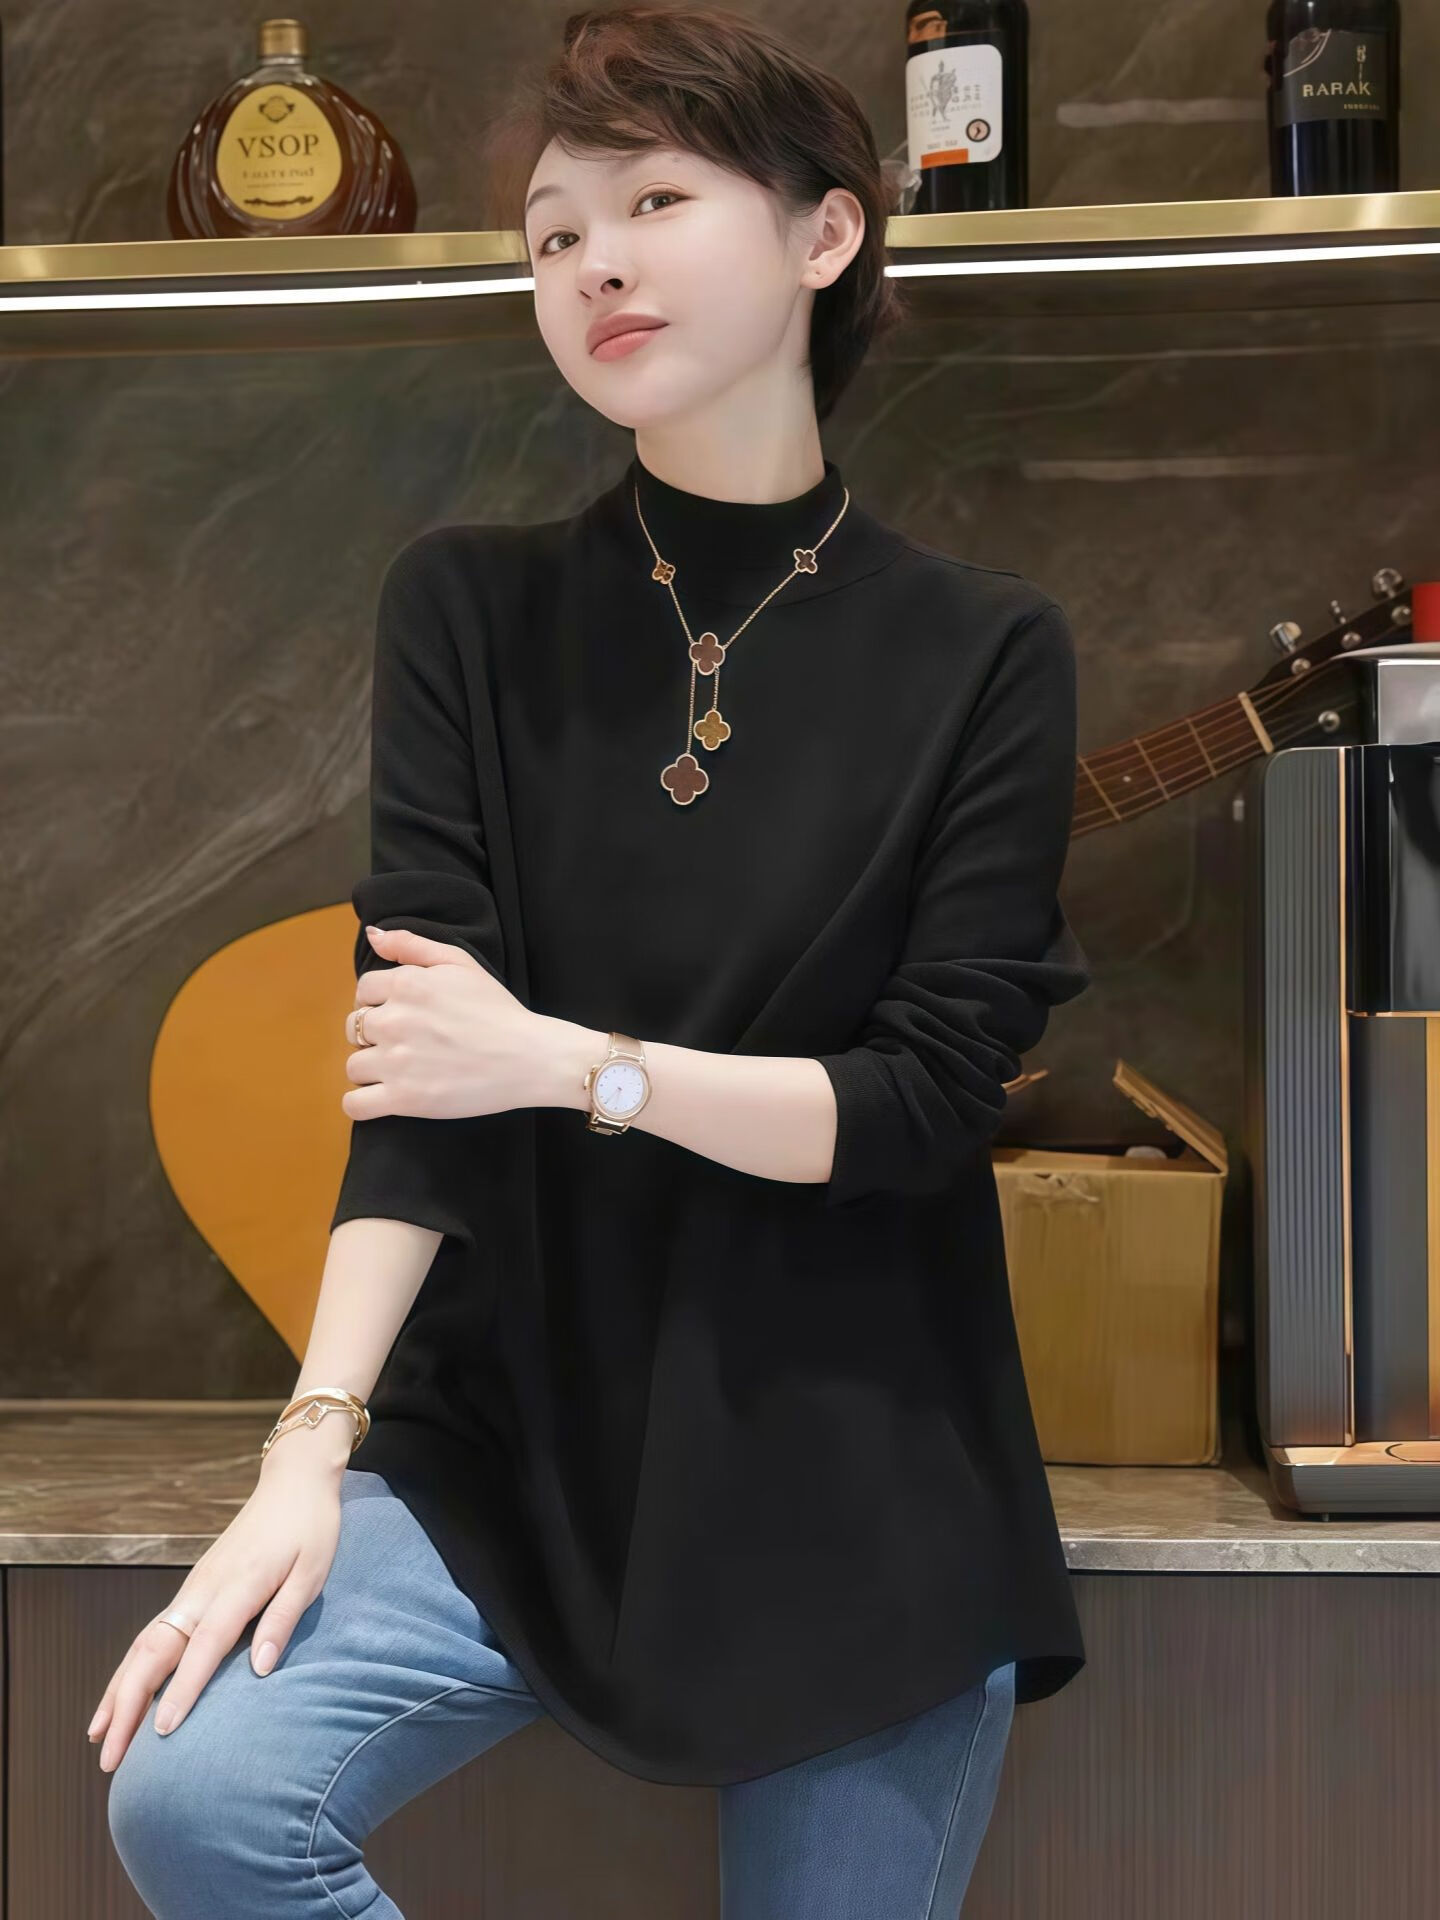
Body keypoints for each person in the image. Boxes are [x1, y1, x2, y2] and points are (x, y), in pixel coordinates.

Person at [97, 6, 1092, 1914]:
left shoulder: (986, 650)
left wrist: (572, 1066)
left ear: (825, 233)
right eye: (555, 234)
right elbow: (416, 1081)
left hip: (853, 1457)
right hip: (507, 1439)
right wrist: (308, 1448)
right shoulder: (469, 610)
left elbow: (920, 1104)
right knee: (199, 1802)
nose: (593, 265)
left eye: (653, 203)